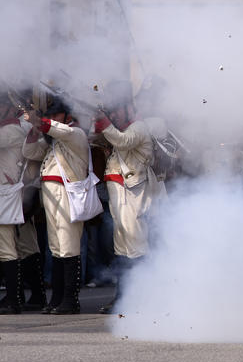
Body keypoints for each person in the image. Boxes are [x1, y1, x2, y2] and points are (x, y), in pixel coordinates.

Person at [22, 93, 91, 314]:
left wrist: (39, 122)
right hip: (51, 196)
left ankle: (71, 300)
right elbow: (29, 151)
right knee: (56, 248)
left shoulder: (75, 133)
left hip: (67, 195)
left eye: (57, 114)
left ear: (67, 115)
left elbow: (63, 130)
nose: (54, 118)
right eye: (50, 115)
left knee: (68, 246)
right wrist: (35, 129)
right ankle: (58, 299)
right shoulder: (52, 140)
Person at [93, 80, 156, 314]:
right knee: (121, 247)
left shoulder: (138, 127)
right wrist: (96, 121)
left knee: (136, 245)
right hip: (119, 194)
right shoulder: (119, 130)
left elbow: (123, 141)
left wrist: (104, 122)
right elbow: (97, 139)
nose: (116, 115)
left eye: (118, 111)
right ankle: (122, 298)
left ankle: (144, 297)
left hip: (133, 193)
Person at [0, 91, 28, 314]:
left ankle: (13, 299)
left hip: (5, 193)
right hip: (3, 191)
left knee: (7, 249)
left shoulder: (11, 129)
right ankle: (14, 295)